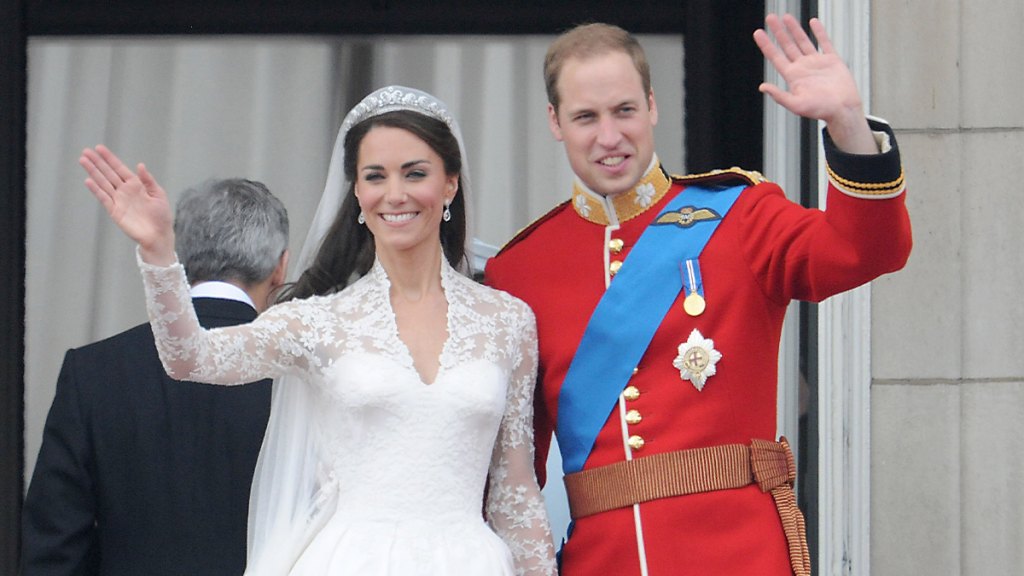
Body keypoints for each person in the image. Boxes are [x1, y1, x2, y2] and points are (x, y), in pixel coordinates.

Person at [485, 14, 912, 576]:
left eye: (624, 111)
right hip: (602, 561)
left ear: (653, 106)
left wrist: (848, 124)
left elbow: (867, 251)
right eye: (586, 117)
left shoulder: (740, 216)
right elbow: (514, 467)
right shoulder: (520, 270)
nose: (609, 136)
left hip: (738, 555)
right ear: (555, 122)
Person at [77, 85, 557, 576]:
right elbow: (191, 358)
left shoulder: (507, 320)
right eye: (376, 176)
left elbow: (515, 490)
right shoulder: (320, 320)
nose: (396, 194)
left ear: (450, 183)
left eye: (415, 173)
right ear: (357, 193)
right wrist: (159, 252)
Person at [22, 178, 290, 575]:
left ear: (179, 255)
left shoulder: (95, 371)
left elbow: (54, 547)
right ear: (280, 267)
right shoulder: (300, 376)